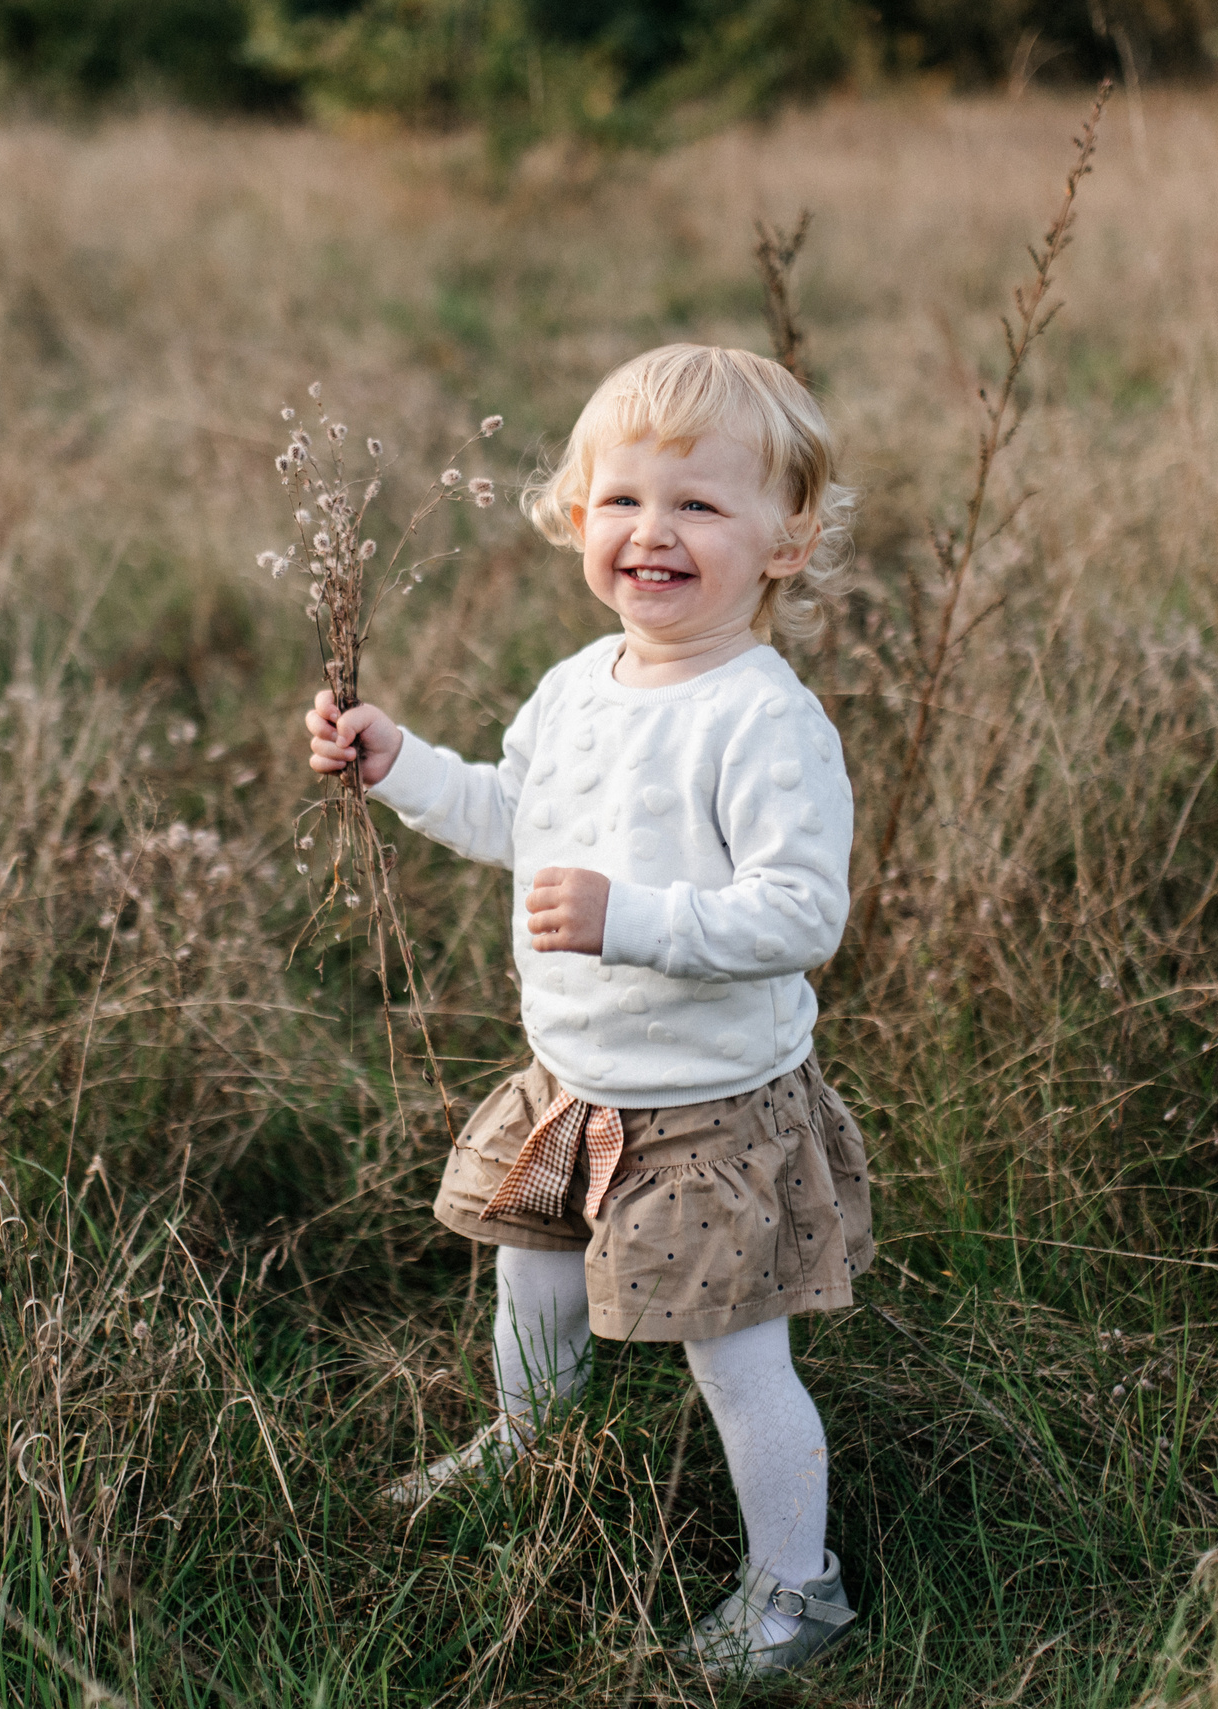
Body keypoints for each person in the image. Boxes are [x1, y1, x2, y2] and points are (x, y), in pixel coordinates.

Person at [298, 343, 874, 1678]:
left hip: (710, 1109)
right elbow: (515, 816)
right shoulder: (576, 685)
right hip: (572, 1079)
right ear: (577, 513)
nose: (651, 533)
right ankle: (530, 1443)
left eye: (700, 505)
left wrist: (636, 918)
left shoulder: (760, 721)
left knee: (735, 1361)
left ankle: (798, 1590)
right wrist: (399, 766)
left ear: (784, 542)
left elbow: (801, 913)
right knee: (532, 1286)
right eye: (621, 499)